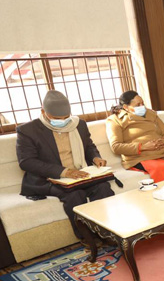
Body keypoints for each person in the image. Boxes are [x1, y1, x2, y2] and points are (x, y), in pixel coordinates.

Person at [16, 90, 112, 242]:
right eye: (57, 118)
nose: (63, 121)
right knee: (75, 194)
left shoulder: (79, 124)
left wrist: (95, 158)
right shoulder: (28, 131)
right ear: (43, 112)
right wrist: (64, 172)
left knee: (103, 188)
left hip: (80, 174)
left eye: (66, 117)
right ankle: (87, 238)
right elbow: (27, 162)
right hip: (50, 178)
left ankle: (108, 232)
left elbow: (89, 146)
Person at [105, 91, 164, 183]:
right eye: (138, 105)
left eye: (143, 103)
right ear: (126, 107)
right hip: (140, 157)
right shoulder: (115, 120)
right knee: (161, 168)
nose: (142, 107)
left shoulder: (151, 114)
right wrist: (143, 147)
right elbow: (116, 146)